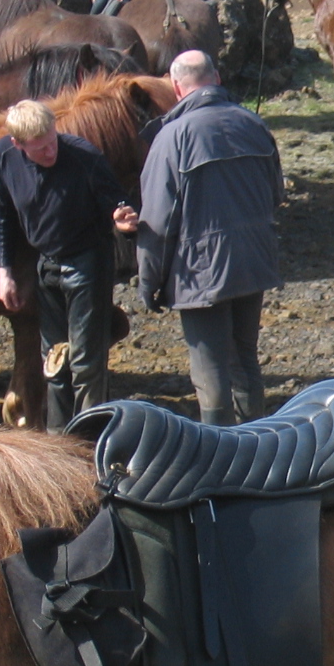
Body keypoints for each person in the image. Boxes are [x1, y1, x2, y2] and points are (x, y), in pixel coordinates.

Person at [137, 50, 283, 426]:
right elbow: (276, 194)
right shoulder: (253, 123)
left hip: (200, 272)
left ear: (176, 87)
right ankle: (257, 441)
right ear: (216, 78)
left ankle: (219, 449)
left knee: (210, 369)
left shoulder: (172, 137)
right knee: (245, 361)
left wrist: (149, 281)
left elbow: (157, 221)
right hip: (254, 262)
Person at [0, 99, 138, 428]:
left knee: (86, 363)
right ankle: (60, 438)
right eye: (40, 148)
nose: (50, 151)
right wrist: (5, 271)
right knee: (55, 360)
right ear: (18, 144)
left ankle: (89, 438)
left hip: (88, 263)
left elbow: (117, 201)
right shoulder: (4, 156)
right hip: (46, 264)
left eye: (52, 140)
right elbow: (0, 213)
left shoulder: (83, 156)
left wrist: (122, 218)